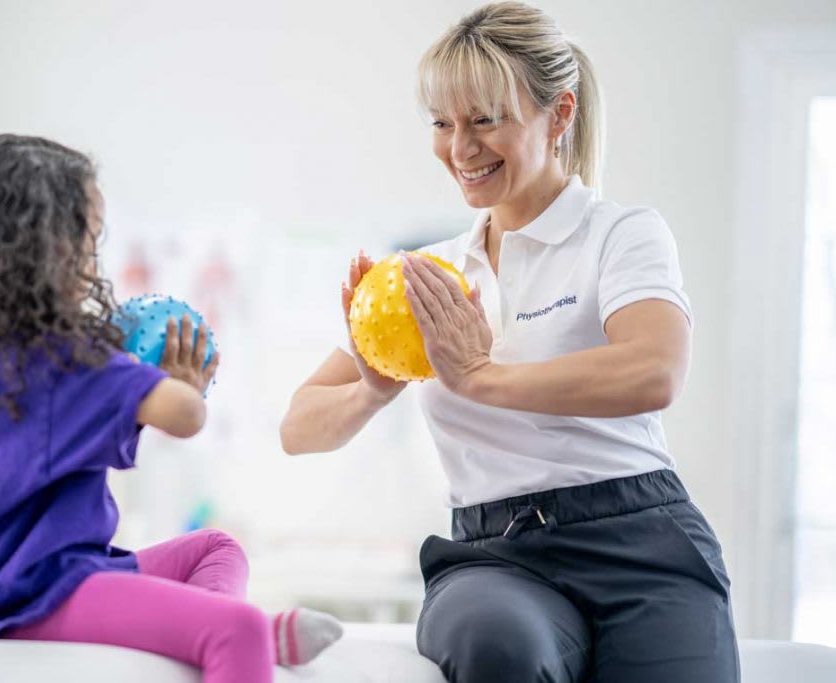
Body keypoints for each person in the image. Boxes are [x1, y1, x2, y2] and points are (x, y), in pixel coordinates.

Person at [280, 3, 738, 681]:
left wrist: (479, 376)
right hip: (497, 557)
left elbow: (654, 370)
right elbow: (298, 427)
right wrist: (374, 388)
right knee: (499, 646)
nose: (460, 149)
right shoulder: (430, 273)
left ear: (559, 116)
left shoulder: (623, 234)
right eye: (443, 124)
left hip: (643, 538)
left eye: (485, 121)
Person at [0, 134, 341, 683]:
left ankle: (222, 622)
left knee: (214, 547)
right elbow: (184, 416)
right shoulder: (65, 360)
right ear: (52, 248)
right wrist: (183, 378)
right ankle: (243, 629)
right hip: (37, 594)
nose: (92, 257)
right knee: (237, 631)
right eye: (90, 239)